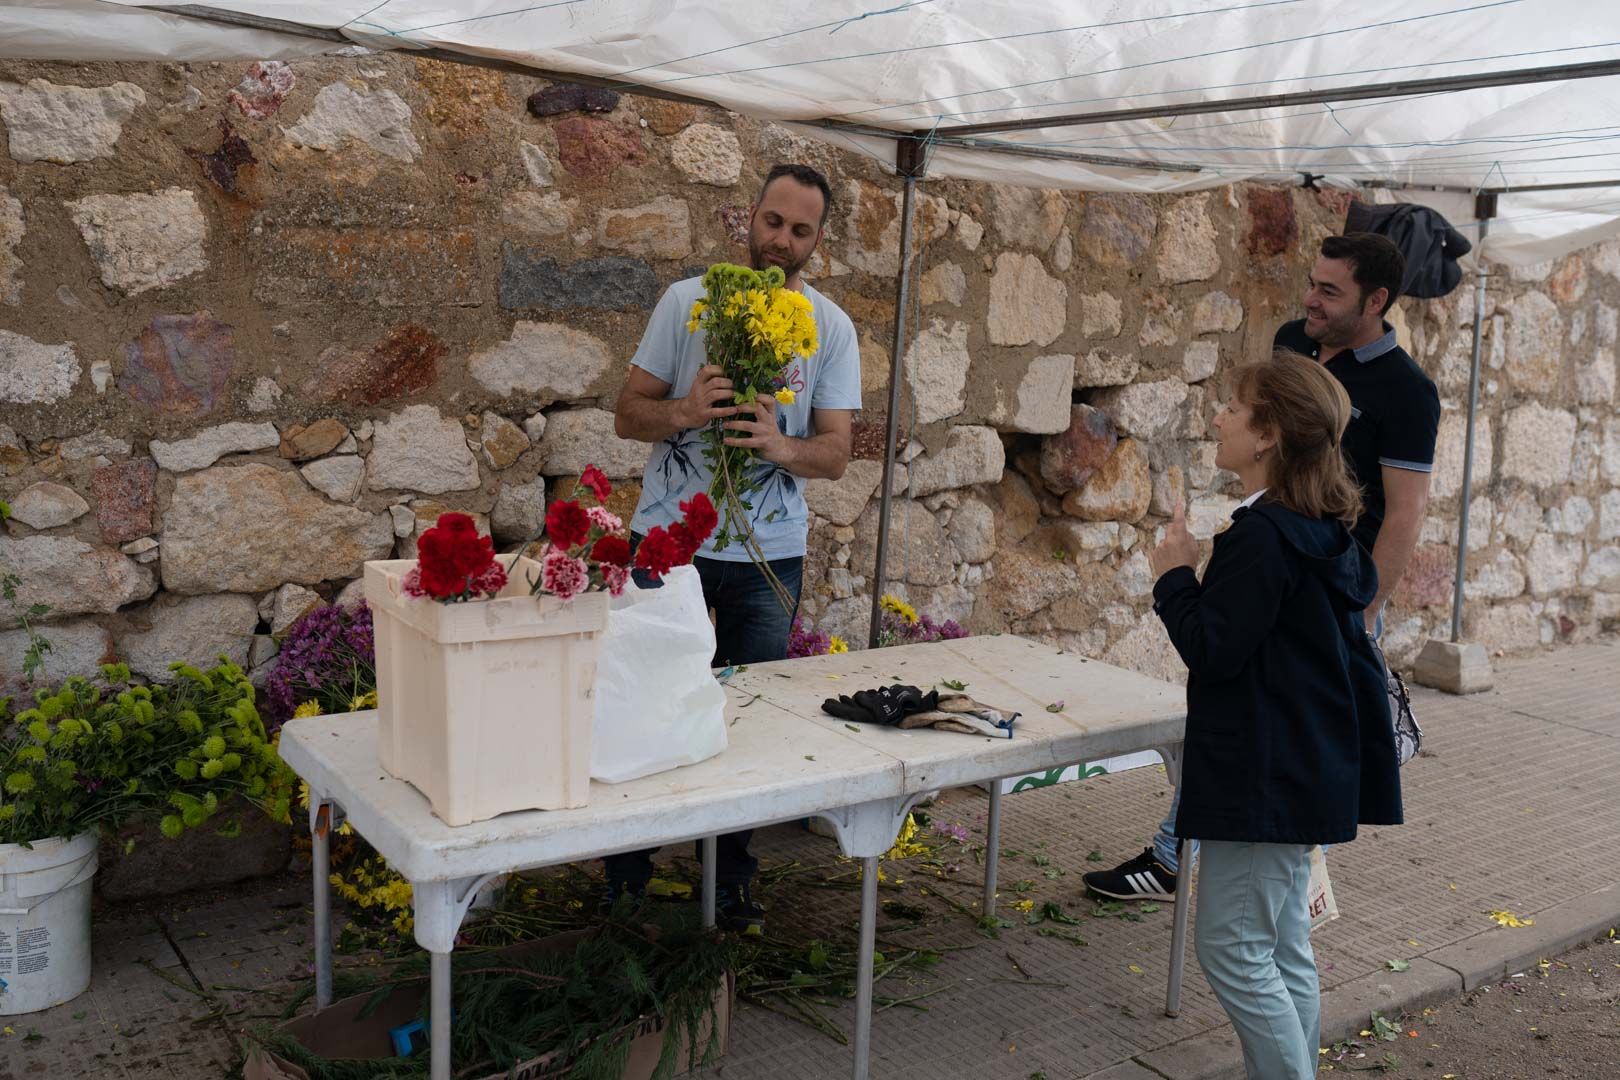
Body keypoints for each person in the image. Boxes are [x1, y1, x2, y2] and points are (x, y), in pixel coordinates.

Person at [1083, 231, 1438, 903]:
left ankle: (1282, 875)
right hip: (1284, 563)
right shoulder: (1292, 341)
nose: (1311, 299)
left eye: (1331, 291)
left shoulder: (1408, 392)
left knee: (1286, 735)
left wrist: (1358, 614)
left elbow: (1403, 515)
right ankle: (1195, 861)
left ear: (1378, 299)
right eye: (1312, 281)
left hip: (1331, 585)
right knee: (1245, 717)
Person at [604, 163, 861, 933]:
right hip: (664, 542)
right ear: (749, 218)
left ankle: (729, 874)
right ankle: (626, 878)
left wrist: (780, 447)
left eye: (801, 230)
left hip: (768, 554)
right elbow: (626, 414)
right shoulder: (686, 303)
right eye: (773, 221)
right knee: (641, 705)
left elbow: (839, 452)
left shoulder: (831, 327)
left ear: (818, 240)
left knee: (750, 718)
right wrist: (685, 409)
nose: (782, 240)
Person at [1148, 350, 1402, 1079]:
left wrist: (1172, 575)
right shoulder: (1313, 527)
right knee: (1282, 946)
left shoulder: (1263, 536)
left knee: (1231, 947)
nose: (1219, 416)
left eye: (1234, 405)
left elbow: (1214, 649)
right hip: (1301, 770)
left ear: (1268, 435)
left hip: (1266, 779)